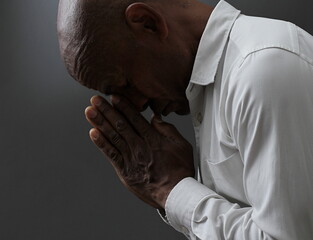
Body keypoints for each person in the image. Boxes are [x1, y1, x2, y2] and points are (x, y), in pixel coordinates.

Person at [57, 0, 313, 239]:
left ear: (147, 22)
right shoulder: (223, 86)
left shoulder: (262, 69)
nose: (135, 106)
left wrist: (172, 190)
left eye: (125, 84)